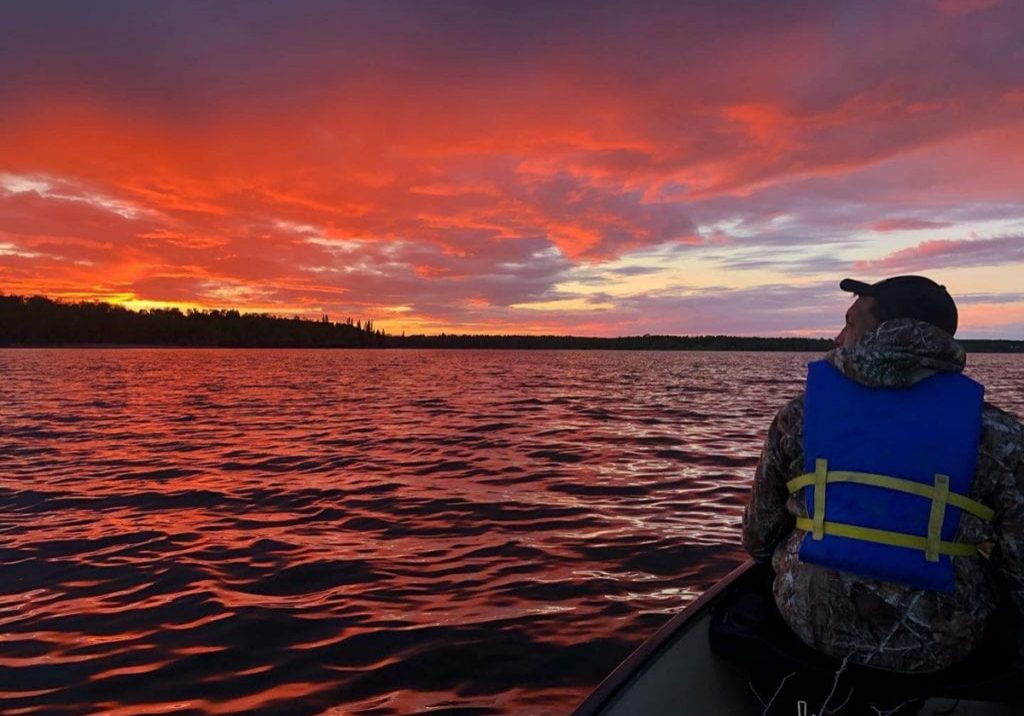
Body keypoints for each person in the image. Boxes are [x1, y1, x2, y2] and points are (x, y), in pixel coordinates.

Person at [740, 275, 1024, 708]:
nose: (837, 338)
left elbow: (758, 538)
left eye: (850, 324)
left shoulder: (798, 417)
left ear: (884, 330)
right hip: (938, 647)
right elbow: (1019, 574)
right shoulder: (1000, 435)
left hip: (808, 628)